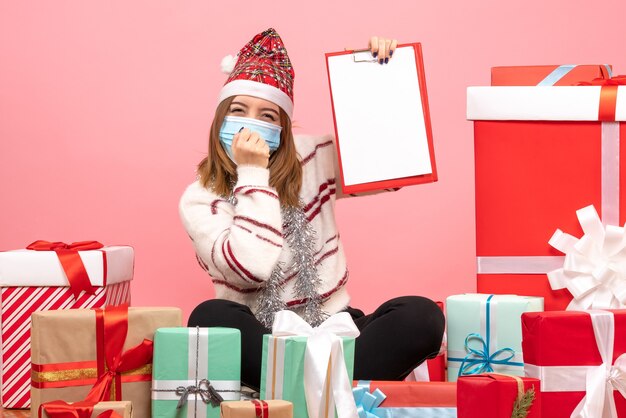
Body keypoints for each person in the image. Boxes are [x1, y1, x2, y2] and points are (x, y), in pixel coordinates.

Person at [180, 28, 444, 390]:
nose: (251, 124)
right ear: (220, 121)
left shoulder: (312, 156)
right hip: (263, 335)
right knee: (208, 318)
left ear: (283, 128)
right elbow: (250, 269)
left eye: (268, 115)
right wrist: (253, 172)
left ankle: (297, 387)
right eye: (238, 111)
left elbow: (390, 165)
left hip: (337, 329)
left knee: (422, 315)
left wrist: (376, 75)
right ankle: (332, 388)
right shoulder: (200, 198)